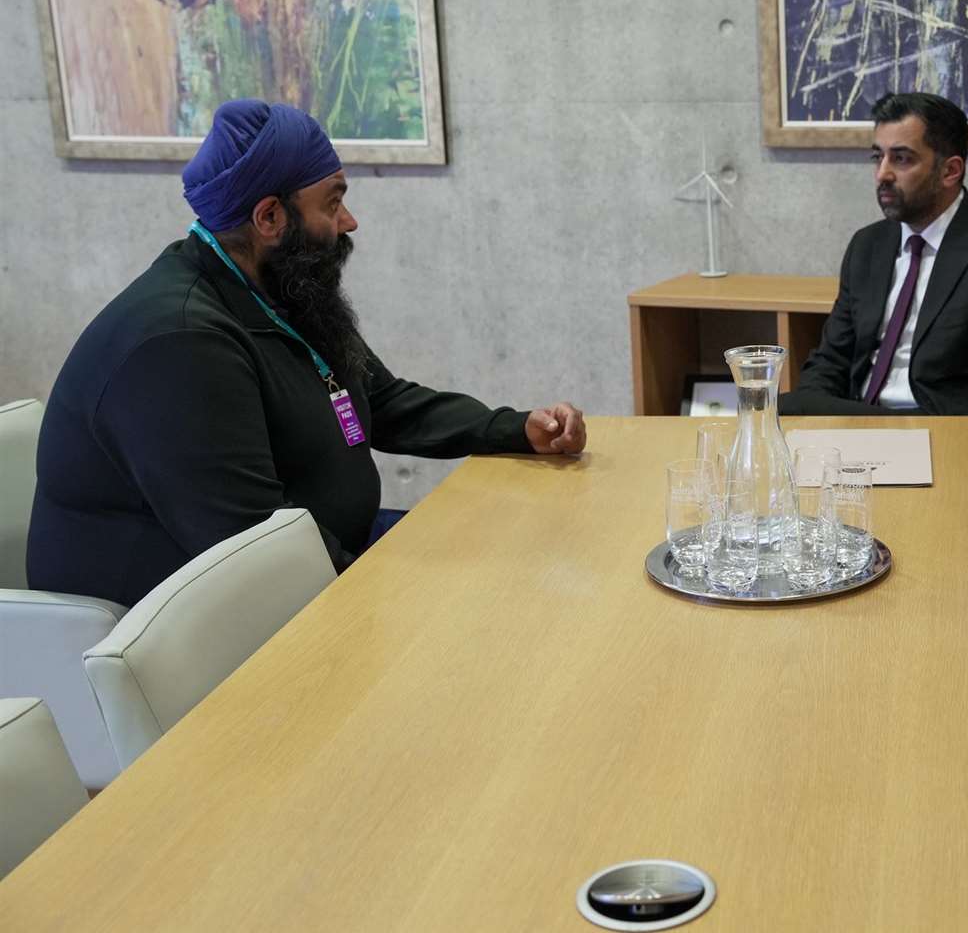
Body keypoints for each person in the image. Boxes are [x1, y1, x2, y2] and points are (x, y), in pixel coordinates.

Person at [27, 99, 586, 607]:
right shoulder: (181, 344)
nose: (349, 221)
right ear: (269, 218)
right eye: (334, 202)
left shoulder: (278, 286)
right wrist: (394, 597)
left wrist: (515, 430)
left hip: (321, 557)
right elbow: (251, 543)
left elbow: (380, 400)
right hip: (181, 621)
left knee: (522, 558)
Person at [780, 92, 968, 416]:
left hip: (946, 433)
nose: (882, 174)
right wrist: (817, 426)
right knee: (781, 409)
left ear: (950, 171)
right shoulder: (867, 246)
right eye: (878, 157)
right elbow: (831, 361)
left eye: (901, 159)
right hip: (860, 427)